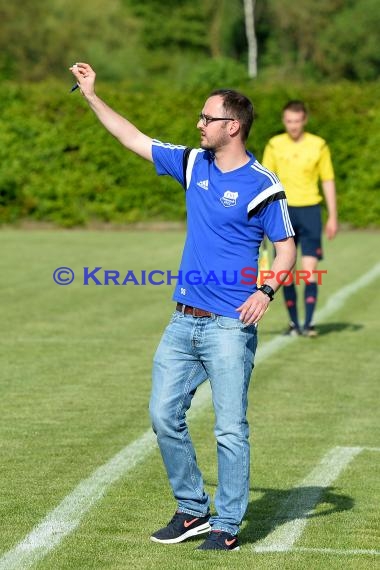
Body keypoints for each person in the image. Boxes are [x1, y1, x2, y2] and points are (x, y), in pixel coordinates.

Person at [70, 62, 296, 551]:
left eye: (206, 118)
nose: (199, 124)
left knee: (230, 430)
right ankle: (193, 510)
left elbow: (285, 248)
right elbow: (133, 138)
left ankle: (227, 526)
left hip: (230, 327)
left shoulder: (263, 184)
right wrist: (91, 95)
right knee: (162, 415)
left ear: (231, 125)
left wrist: (266, 291)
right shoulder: (194, 164)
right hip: (182, 322)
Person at [262, 100, 338, 337]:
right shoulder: (274, 145)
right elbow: (264, 181)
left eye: (297, 121)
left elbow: (327, 180)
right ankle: (295, 323)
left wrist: (333, 216)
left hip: (311, 211)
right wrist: (262, 216)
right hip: (282, 211)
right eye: (288, 121)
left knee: (309, 270)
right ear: (284, 121)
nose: (293, 126)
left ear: (304, 120)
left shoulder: (319, 145)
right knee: (285, 272)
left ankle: (310, 323)